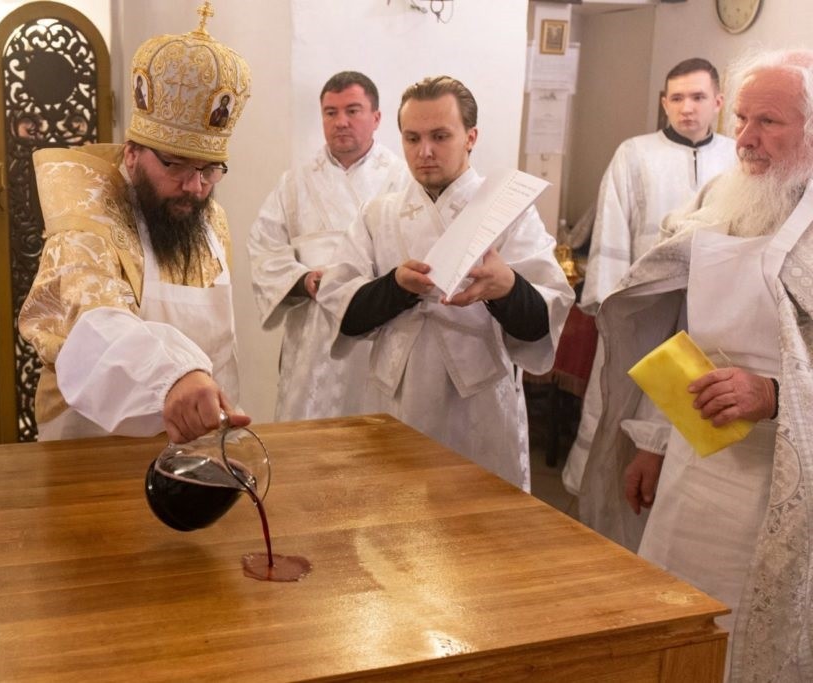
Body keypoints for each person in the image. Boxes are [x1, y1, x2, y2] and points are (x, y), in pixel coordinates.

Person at [577, 49, 813, 680]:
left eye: (769, 122)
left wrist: (772, 394)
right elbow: (681, 329)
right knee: (673, 616)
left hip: (779, 479)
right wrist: (653, 440)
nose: (746, 138)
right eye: (742, 118)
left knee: (743, 640)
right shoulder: (720, 194)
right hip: (693, 453)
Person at [318, 76, 573, 490]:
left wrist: (508, 288)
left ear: (471, 137)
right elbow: (342, 308)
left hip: (479, 405)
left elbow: (543, 321)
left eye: (440, 136)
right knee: (394, 512)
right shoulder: (378, 214)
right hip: (396, 397)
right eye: (412, 138)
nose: (424, 152)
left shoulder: (509, 213)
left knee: (478, 519)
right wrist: (396, 287)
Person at [19, 8, 252, 444]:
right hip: (95, 439)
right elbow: (95, 321)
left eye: (209, 169)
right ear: (132, 154)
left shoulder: (209, 218)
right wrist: (175, 375)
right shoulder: (87, 215)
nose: (195, 187)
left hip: (196, 439)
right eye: (175, 165)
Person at [562, 57, 736, 496]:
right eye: (677, 98)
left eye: (697, 97)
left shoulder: (736, 156)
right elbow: (612, 228)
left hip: (710, 313)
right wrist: (612, 309)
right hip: (641, 308)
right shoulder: (635, 154)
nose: (687, 108)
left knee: (694, 409)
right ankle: (600, 497)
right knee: (621, 403)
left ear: (718, 102)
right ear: (664, 103)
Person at [248, 71, 408, 421]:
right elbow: (264, 246)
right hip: (312, 331)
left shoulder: (402, 180)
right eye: (331, 112)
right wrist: (303, 280)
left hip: (376, 329)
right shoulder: (295, 183)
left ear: (376, 117)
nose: (341, 122)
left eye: (353, 110)